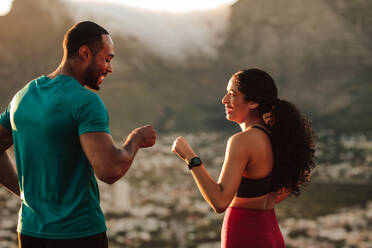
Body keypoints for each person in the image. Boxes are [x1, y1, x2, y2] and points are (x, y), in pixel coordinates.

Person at [0, 21, 156, 248]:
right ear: (85, 53)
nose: (110, 68)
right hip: (79, 234)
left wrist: (25, 193)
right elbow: (109, 169)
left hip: (30, 233)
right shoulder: (85, 101)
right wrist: (136, 140)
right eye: (107, 58)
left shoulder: (22, 97)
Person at [172, 68, 315, 247]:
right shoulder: (276, 137)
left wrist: (190, 158)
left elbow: (219, 202)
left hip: (244, 234)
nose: (224, 100)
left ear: (253, 103)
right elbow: (286, 187)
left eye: (232, 94)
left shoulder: (242, 141)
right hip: (270, 231)